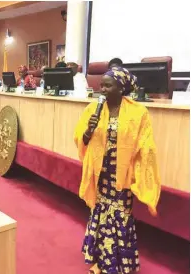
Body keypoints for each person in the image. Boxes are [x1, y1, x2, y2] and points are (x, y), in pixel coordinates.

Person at [74, 67, 161, 274]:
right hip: (101, 173)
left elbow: (146, 144)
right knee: (101, 213)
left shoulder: (138, 112)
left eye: (107, 85)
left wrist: (141, 167)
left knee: (120, 215)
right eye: (101, 84)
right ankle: (102, 263)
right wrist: (89, 131)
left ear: (121, 88)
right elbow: (80, 139)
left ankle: (120, 265)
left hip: (123, 174)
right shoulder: (92, 110)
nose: (101, 89)